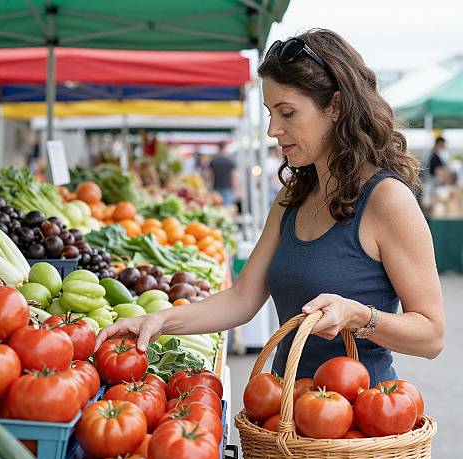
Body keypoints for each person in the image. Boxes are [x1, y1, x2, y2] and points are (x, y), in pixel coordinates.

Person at [96, 29, 445, 387]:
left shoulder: (388, 199)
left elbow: (431, 335)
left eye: (288, 113)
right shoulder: (293, 195)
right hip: (282, 409)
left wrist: (359, 316)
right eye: (269, 113)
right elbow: (242, 298)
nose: (273, 130)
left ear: (336, 107)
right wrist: (157, 320)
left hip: (358, 421)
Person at [207, 141, 239, 206]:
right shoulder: (230, 161)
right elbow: (233, 177)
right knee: (228, 209)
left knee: (218, 208)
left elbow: (209, 177)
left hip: (216, 188)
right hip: (228, 189)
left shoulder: (213, 161)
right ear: (225, 148)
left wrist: (208, 188)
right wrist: (236, 190)